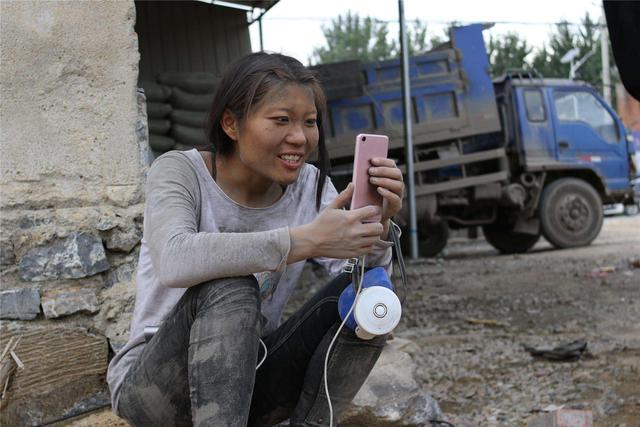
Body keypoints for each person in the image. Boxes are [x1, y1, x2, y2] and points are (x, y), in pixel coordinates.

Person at [106, 52, 404, 427]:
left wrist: (378, 220)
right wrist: (303, 241)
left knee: (371, 296)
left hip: (250, 377)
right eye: (281, 120)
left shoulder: (309, 186)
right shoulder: (180, 173)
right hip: (156, 390)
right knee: (233, 284)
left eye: (309, 122)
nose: (299, 137)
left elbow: (362, 272)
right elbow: (173, 258)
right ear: (231, 123)